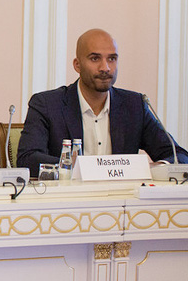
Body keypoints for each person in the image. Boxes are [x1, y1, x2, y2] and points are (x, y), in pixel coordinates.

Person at [16, 28, 188, 174]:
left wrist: (156, 167)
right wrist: (81, 168)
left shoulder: (135, 105)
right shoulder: (47, 104)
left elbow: (179, 155)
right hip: (68, 198)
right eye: (95, 58)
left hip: (122, 199)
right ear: (77, 65)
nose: (105, 68)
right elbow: (27, 159)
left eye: (112, 59)